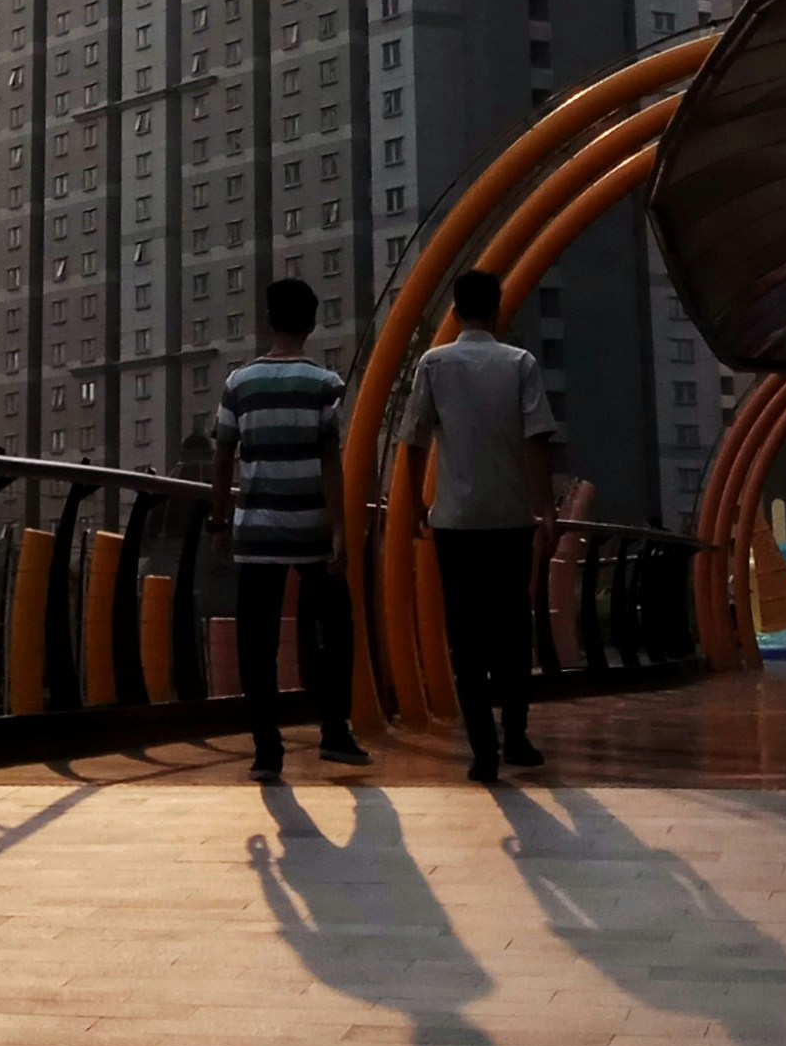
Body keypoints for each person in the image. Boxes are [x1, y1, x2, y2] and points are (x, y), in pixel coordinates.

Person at [400, 263, 558, 781]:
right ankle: (517, 737)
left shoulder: (434, 364)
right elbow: (538, 439)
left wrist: (411, 509)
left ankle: (482, 750)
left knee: (465, 638)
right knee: (514, 631)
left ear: (454, 310)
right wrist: (546, 508)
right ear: (496, 309)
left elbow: (415, 440)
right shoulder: (521, 363)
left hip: (455, 521)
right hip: (512, 518)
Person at [210, 275, 372, 780]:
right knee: (336, 627)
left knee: (256, 639)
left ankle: (266, 748)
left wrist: (220, 518)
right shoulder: (326, 385)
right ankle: (335, 731)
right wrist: (341, 532)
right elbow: (331, 463)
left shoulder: (238, 383)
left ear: (267, 319)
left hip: (255, 530)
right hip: (312, 529)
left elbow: (220, 458)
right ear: (313, 322)